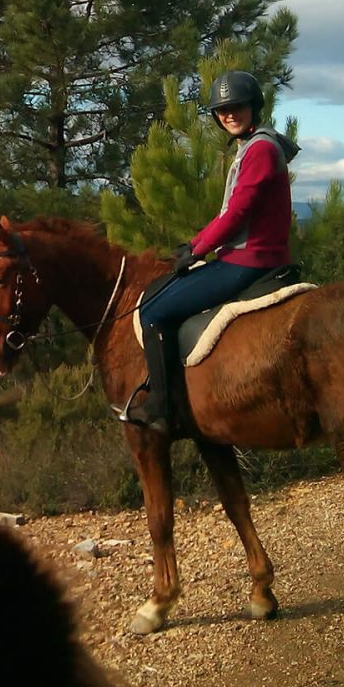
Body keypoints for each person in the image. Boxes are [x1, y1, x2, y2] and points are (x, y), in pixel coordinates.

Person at [117, 70, 300, 435]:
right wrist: (196, 245)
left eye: (237, 106)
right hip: (245, 255)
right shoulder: (254, 146)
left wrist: (198, 248)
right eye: (222, 109)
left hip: (249, 261)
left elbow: (237, 214)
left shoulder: (261, 149)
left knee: (154, 310)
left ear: (253, 107)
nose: (229, 114)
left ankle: (163, 407)